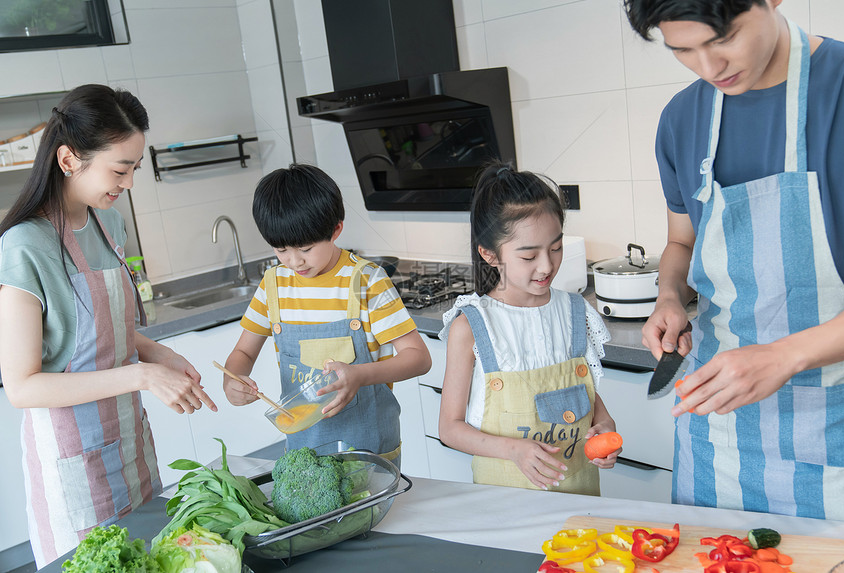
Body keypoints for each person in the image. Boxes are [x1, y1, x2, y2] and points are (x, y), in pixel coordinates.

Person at [624, 0, 844, 520]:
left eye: (723, 38)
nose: (709, 69)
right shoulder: (682, 120)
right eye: (683, 50)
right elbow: (682, 244)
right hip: (719, 434)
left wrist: (781, 357)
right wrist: (669, 297)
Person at [0, 84, 217, 567]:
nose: (129, 182)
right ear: (69, 159)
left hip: (128, 440)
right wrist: (141, 374)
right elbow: (22, 386)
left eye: (134, 168)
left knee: (150, 557)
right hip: (71, 456)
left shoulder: (109, 224)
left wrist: (158, 353)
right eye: (120, 169)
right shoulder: (24, 247)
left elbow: (99, 330)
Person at [221, 164, 431, 466]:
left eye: (306, 248)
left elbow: (419, 358)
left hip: (368, 450)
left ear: (336, 230)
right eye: (281, 250)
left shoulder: (367, 282)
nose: (294, 261)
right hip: (304, 452)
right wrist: (234, 379)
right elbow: (243, 351)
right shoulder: (273, 286)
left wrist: (359, 375)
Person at [437, 163, 618, 493]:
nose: (547, 265)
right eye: (529, 255)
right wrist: (514, 451)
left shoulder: (576, 311)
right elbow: (450, 428)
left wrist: (604, 426)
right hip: (506, 501)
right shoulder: (473, 325)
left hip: (581, 497)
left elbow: (583, 392)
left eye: (556, 247)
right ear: (490, 255)